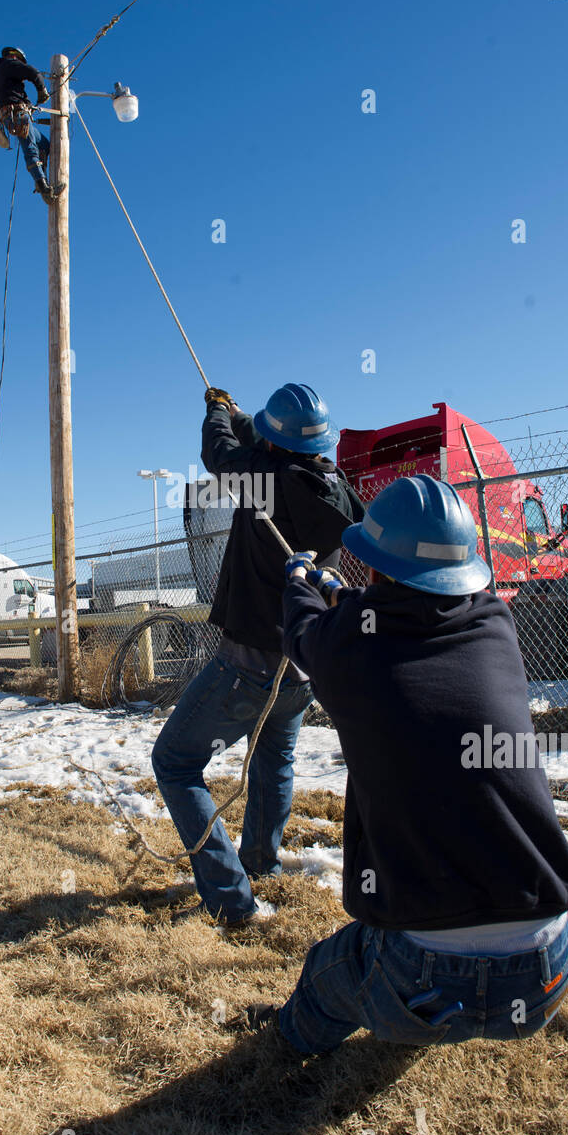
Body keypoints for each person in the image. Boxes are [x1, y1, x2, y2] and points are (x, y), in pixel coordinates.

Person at [243, 474, 568, 1049]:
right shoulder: (495, 625)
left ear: (375, 570)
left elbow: (304, 633)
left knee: (327, 974)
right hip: (546, 966)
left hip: (422, 973)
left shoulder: (346, 647)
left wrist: (301, 580)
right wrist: (344, 596)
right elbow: (406, 621)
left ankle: (288, 1042)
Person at [150, 383, 365, 927]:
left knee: (175, 762)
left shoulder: (265, 478)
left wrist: (219, 412)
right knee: (274, 763)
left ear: (272, 445)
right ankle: (260, 864)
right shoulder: (332, 486)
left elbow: (220, 455)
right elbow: (262, 448)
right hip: (301, 663)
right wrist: (248, 417)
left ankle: (231, 900)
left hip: (248, 665)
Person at [0, 46, 64, 204]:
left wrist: (30, 104)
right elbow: (32, 72)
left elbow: (13, 94)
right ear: (16, 57)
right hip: (17, 115)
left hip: (13, 116)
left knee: (43, 145)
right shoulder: (10, 65)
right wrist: (41, 90)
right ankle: (44, 188)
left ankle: (42, 178)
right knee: (30, 148)